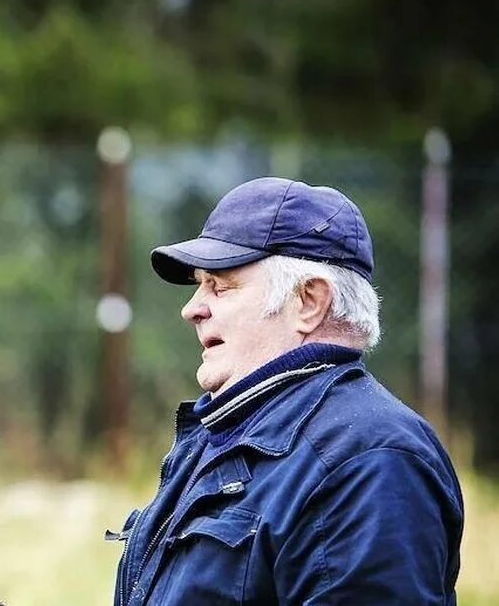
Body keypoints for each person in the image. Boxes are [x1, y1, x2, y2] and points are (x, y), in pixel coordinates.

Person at [111, 177, 464, 605]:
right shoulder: (223, 436)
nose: (192, 309)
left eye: (220, 286)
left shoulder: (368, 460)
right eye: (199, 285)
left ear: (309, 301)